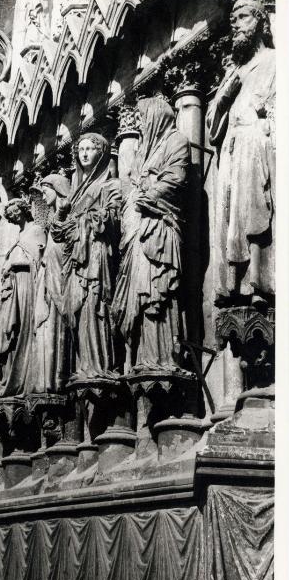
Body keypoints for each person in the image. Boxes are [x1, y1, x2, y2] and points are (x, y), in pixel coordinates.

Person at [112, 97, 189, 373]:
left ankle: (163, 358)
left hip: (160, 227)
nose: (142, 125)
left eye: (144, 119)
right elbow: (131, 184)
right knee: (140, 294)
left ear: (157, 117)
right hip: (138, 231)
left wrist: (147, 192)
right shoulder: (144, 150)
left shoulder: (176, 141)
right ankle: (142, 358)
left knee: (157, 291)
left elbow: (176, 179)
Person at [206, 0, 275, 306]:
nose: (234, 23)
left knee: (256, 214)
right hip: (232, 155)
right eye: (232, 18)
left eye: (243, 17)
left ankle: (262, 283)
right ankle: (237, 286)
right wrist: (223, 100)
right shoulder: (234, 70)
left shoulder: (275, 60)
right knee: (232, 220)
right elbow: (211, 123)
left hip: (257, 146)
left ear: (260, 21)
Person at [51, 133, 121, 380]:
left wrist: (85, 220)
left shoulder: (110, 185)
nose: (84, 153)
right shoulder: (75, 193)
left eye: (90, 148)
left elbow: (114, 218)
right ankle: (83, 367)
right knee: (77, 312)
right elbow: (58, 233)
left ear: (101, 153)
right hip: (74, 261)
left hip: (95, 257)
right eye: (80, 149)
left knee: (95, 305)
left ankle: (99, 367)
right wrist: (60, 215)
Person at [0, 198, 46, 397]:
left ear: (24, 210)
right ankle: (12, 379)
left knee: (23, 327)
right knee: (9, 331)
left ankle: (25, 379)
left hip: (28, 288)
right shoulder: (19, 235)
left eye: (16, 211)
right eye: (11, 214)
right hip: (14, 288)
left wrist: (15, 266)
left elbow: (42, 261)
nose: (13, 216)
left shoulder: (36, 230)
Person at [32, 174, 72, 394]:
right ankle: (45, 379)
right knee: (44, 328)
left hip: (59, 280)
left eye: (46, 189)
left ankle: (56, 379)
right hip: (47, 280)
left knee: (55, 326)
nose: (43, 194)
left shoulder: (66, 213)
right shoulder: (52, 218)